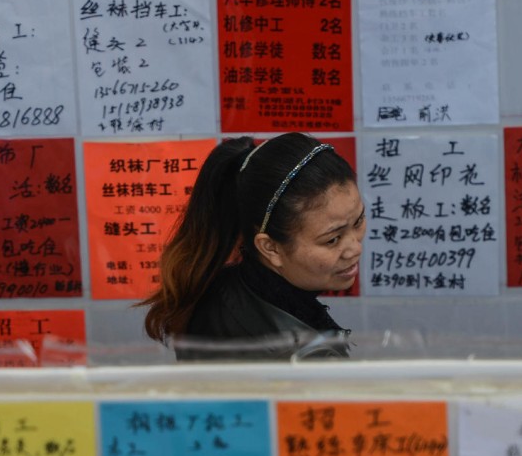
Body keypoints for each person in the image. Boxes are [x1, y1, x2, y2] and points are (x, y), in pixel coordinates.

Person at [141, 133, 365, 361]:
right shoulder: (300, 359)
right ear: (270, 248)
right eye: (332, 240)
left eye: (358, 221)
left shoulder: (220, 288)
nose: (354, 248)